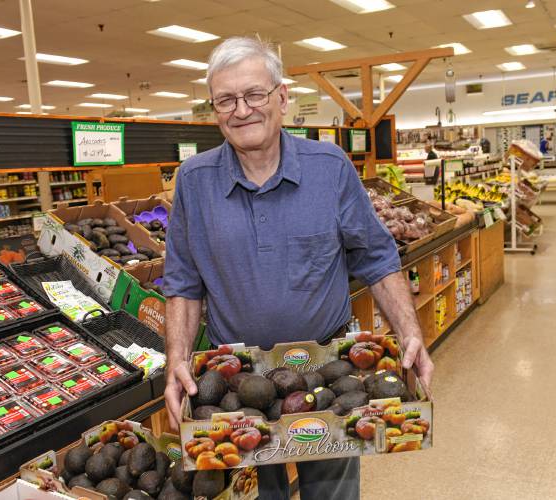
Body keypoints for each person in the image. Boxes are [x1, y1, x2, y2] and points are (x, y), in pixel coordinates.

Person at [163, 36, 434, 500]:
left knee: (332, 493)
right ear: (214, 109)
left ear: (282, 97)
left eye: (254, 94)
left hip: (328, 376)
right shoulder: (194, 180)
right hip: (233, 383)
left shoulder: (329, 167)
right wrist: (177, 363)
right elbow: (184, 281)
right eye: (225, 99)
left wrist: (410, 333)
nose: (241, 110)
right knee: (252, 493)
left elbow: (376, 255)